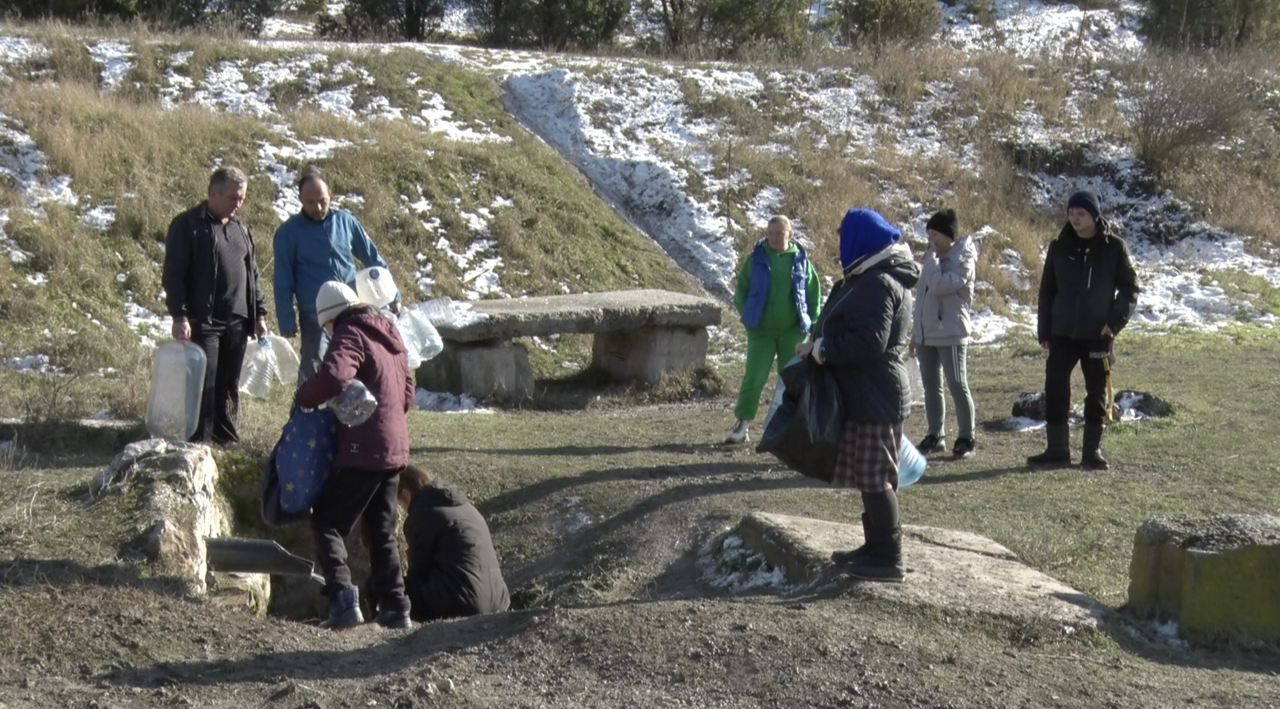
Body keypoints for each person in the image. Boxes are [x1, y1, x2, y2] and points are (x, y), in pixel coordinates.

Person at [796, 208, 919, 582]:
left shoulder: (877, 283)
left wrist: (823, 348)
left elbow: (870, 342)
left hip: (876, 394)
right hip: (870, 392)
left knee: (876, 477)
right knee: (870, 475)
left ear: (858, 242)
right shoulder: (869, 277)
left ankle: (889, 558)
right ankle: (875, 547)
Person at [296, 281, 416, 629]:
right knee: (381, 531)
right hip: (395, 448)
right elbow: (407, 393)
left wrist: (305, 395)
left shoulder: (350, 331)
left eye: (327, 328)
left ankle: (343, 602)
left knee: (327, 521)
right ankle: (396, 607)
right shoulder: (388, 331)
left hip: (364, 448)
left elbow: (334, 374)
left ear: (331, 318)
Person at [1028, 190, 1139, 470]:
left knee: (1096, 391)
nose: (1075, 219)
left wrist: (1113, 323)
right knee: (1055, 387)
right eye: (1071, 213)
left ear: (1094, 215)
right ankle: (1056, 450)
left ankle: (1092, 451)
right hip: (1062, 332)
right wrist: (1045, 330)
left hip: (1098, 334)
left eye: (1082, 214)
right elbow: (1047, 291)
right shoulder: (1058, 246)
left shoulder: (1114, 247)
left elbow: (1130, 289)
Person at [162, 166, 268, 446]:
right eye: (233, 197)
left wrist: (259, 313)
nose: (238, 204)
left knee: (228, 383)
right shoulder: (187, 225)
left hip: (237, 318)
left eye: (241, 198)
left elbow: (252, 272)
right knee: (203, 382)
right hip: (203, 319)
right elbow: (174, 274)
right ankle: (198, 441)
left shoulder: (240, 227)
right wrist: (179, 315)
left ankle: (226, 438)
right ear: (213, 193)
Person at [274, 168, 400, 385]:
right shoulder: (288, 233)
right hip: (315, 315)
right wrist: (286, 320)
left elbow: (373, 259)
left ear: (330, 193)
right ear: (300, 199)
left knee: (357, 361)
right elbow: (283, 279)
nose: (318, 207)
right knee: (314, 365)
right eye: (310, 202)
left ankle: (357, 413)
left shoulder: (346, 222)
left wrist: (393, 295)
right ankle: (305, 414)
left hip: (352, 309)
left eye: (322, 200)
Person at [726, 215, 821, 444]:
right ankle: (742, 425)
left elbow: (813, 295)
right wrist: (747, 315)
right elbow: (742, 290)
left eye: (780, 233)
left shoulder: (801, 261)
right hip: (761, 331)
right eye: (771, 233)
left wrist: (813, 323)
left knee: (791, 381)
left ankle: (792, 428)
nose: (775, 238)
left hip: (792, 331)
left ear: (790, 234)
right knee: (754, 377)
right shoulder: (757, 259)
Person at [395, 465, 510, 623]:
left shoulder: (422, 514)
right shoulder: (466, 507)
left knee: (387, 584)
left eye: (399, 503)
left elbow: (419, 571)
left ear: (406, 493)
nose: (402, 509)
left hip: (463, 604)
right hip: (499, 601)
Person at [909, 208, 978, 459]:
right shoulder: (932, 258)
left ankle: (966, 437)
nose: (931, 241)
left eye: (935, 235)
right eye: (929, 235)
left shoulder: (963, 260)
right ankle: (935, 434)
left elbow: (939, 286)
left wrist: (932, 264)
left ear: (949, 236)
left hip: (951, 332)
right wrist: (916, 334)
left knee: (957, 384)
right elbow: (921, 299)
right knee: (931, 386)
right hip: (927, 334)